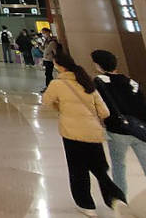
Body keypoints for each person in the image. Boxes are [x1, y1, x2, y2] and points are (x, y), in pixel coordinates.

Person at [42, 48, 126, 215]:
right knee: (99, 169)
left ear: (58, 66)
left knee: (77, 170)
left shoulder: (57, 84)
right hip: (93, 133)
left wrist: (61, 108)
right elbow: (104, 112)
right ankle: (115, 197)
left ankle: (86, 205)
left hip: (72, 133)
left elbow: (47, 102)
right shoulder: (87, 81)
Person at [91, 49, 146, 214]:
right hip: (141, 132)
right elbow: (145, 110)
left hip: (117, 132)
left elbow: (101, 108)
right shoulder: (132, 82)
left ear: (98, 64)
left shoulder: (100, 82)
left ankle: (121, 207)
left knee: (119, 168)